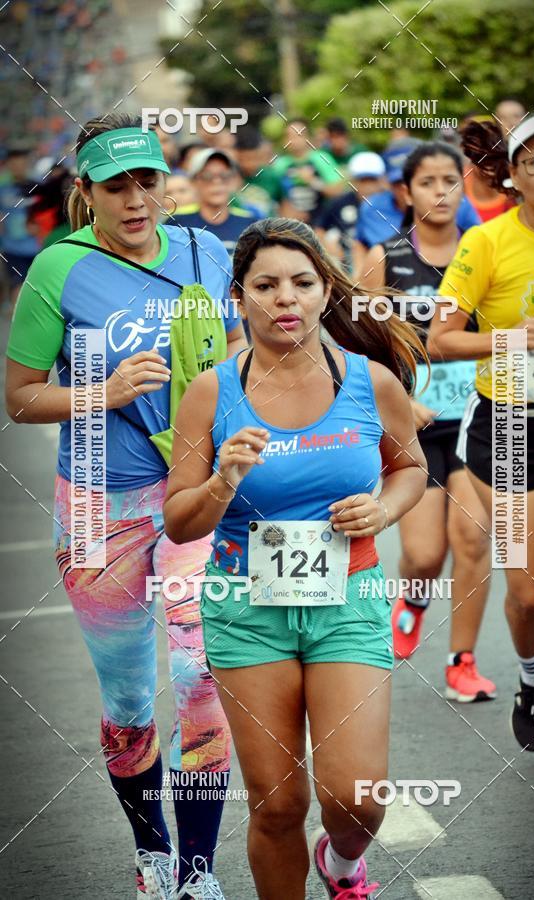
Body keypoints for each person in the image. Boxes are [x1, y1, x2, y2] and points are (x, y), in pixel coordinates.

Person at [5, 113, 247, 897]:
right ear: (88, 192)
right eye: (118, 186)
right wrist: (100, 393)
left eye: (148, 180)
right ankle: (152, 852)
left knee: (201, 672)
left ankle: (198, 870)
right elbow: (19, 398)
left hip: (193, 490)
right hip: (97, 504)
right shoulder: (58, 271)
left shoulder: (205, 252)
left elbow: (243, 361)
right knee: (130, 698)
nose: (138, 199)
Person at [163, 217, 428, 898]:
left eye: (303, 283)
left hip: (348, 598)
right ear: (240, 296)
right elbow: (178, 516)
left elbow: (410, 469)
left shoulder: (372, 382)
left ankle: (341, 861)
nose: (287, 298)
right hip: (245, 607)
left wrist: (385, 508)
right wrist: (223, 479)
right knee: (278, 806)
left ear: (323, 292)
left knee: (356, 799)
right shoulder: (211, 393)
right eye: (267, 285)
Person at [428, 112, 534, 785]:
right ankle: (533, 679)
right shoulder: (487, 244)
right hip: (507, 424)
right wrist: (509, 339)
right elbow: (442, 339)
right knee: (530, 593)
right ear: (515, 176)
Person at [361, 143, 495, 702]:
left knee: (475, 536)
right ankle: (413, 599)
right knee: (421, 554)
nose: (441, 191)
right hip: (413, 423)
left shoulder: (485, 252)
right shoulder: (382, 258)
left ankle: (463, 662)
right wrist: (399, 402)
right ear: (406, 192)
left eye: (451, 180)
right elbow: (361, 346)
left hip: (479, 415)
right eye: (427, 182)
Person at [355, 158, 481, 254]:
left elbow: (479, 242)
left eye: (416, 181)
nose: (405, 189)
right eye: (398, 182)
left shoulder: (456, 202)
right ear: (388, 184)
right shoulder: (372, 207)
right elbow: (359, 243)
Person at [174, 148, 262, 260]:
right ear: (193, 182)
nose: (217, 182)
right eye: (207, 176)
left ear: (234, 181)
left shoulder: (250, 223)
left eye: (225, 176)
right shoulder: (178, 222)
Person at [313, 151, 386, 274]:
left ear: (382, 181)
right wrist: (330, 247)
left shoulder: (391, 204)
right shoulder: (340, 203)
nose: (368, 186)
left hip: (383, 263)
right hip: (347, 266)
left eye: (372, 180)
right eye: (363, 181)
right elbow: (319, 230)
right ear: (353, 181)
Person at [272, 118, 344, 225]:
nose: (294, 140)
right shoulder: (280, 164)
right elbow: (273, 196)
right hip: (290, 224)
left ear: (308, 137)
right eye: (289, 136)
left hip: (321, 223)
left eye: (298, 135)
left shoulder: (321, 159)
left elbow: (338, 191)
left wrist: (313, 181)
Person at [0, 146, 39, 302]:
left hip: (37, 247)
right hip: (12, 249)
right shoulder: (3, 190)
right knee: (18, 285)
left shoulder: (39, 187)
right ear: (8, 164)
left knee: (36, 287)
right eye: (13, 163)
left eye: (21, 162)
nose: (17, 166)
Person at [233, 126, 283, 217]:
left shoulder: (272, 176)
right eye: (243, 159)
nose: (249, 164)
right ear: (236, 155)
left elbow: (286, 206)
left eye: (253, 158)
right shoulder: (227, 178)